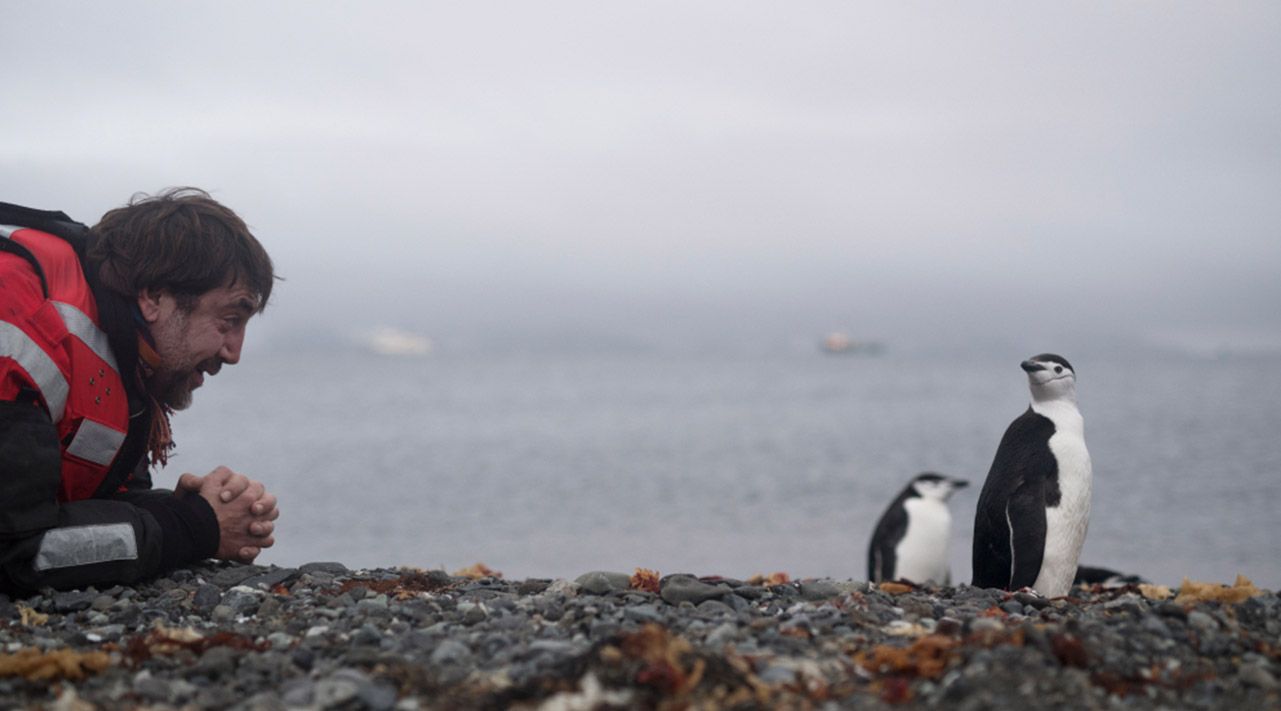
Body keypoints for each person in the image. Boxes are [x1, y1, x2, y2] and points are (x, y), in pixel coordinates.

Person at [0, 188, 280, 595]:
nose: (233, 352)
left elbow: (101, 499)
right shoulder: (20, 331)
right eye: (229, 319)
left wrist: (185, 510)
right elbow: (17, 552)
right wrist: (194, 527)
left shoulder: (122, 357)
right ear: (153, 297)